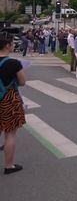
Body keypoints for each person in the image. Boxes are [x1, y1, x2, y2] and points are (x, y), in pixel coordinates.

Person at [0, 31, 26, 175]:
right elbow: (22, 82)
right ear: (8, 45)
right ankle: (9, 166)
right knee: (10, 133)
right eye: (12, 43)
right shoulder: (13, 63)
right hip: (8, 98)